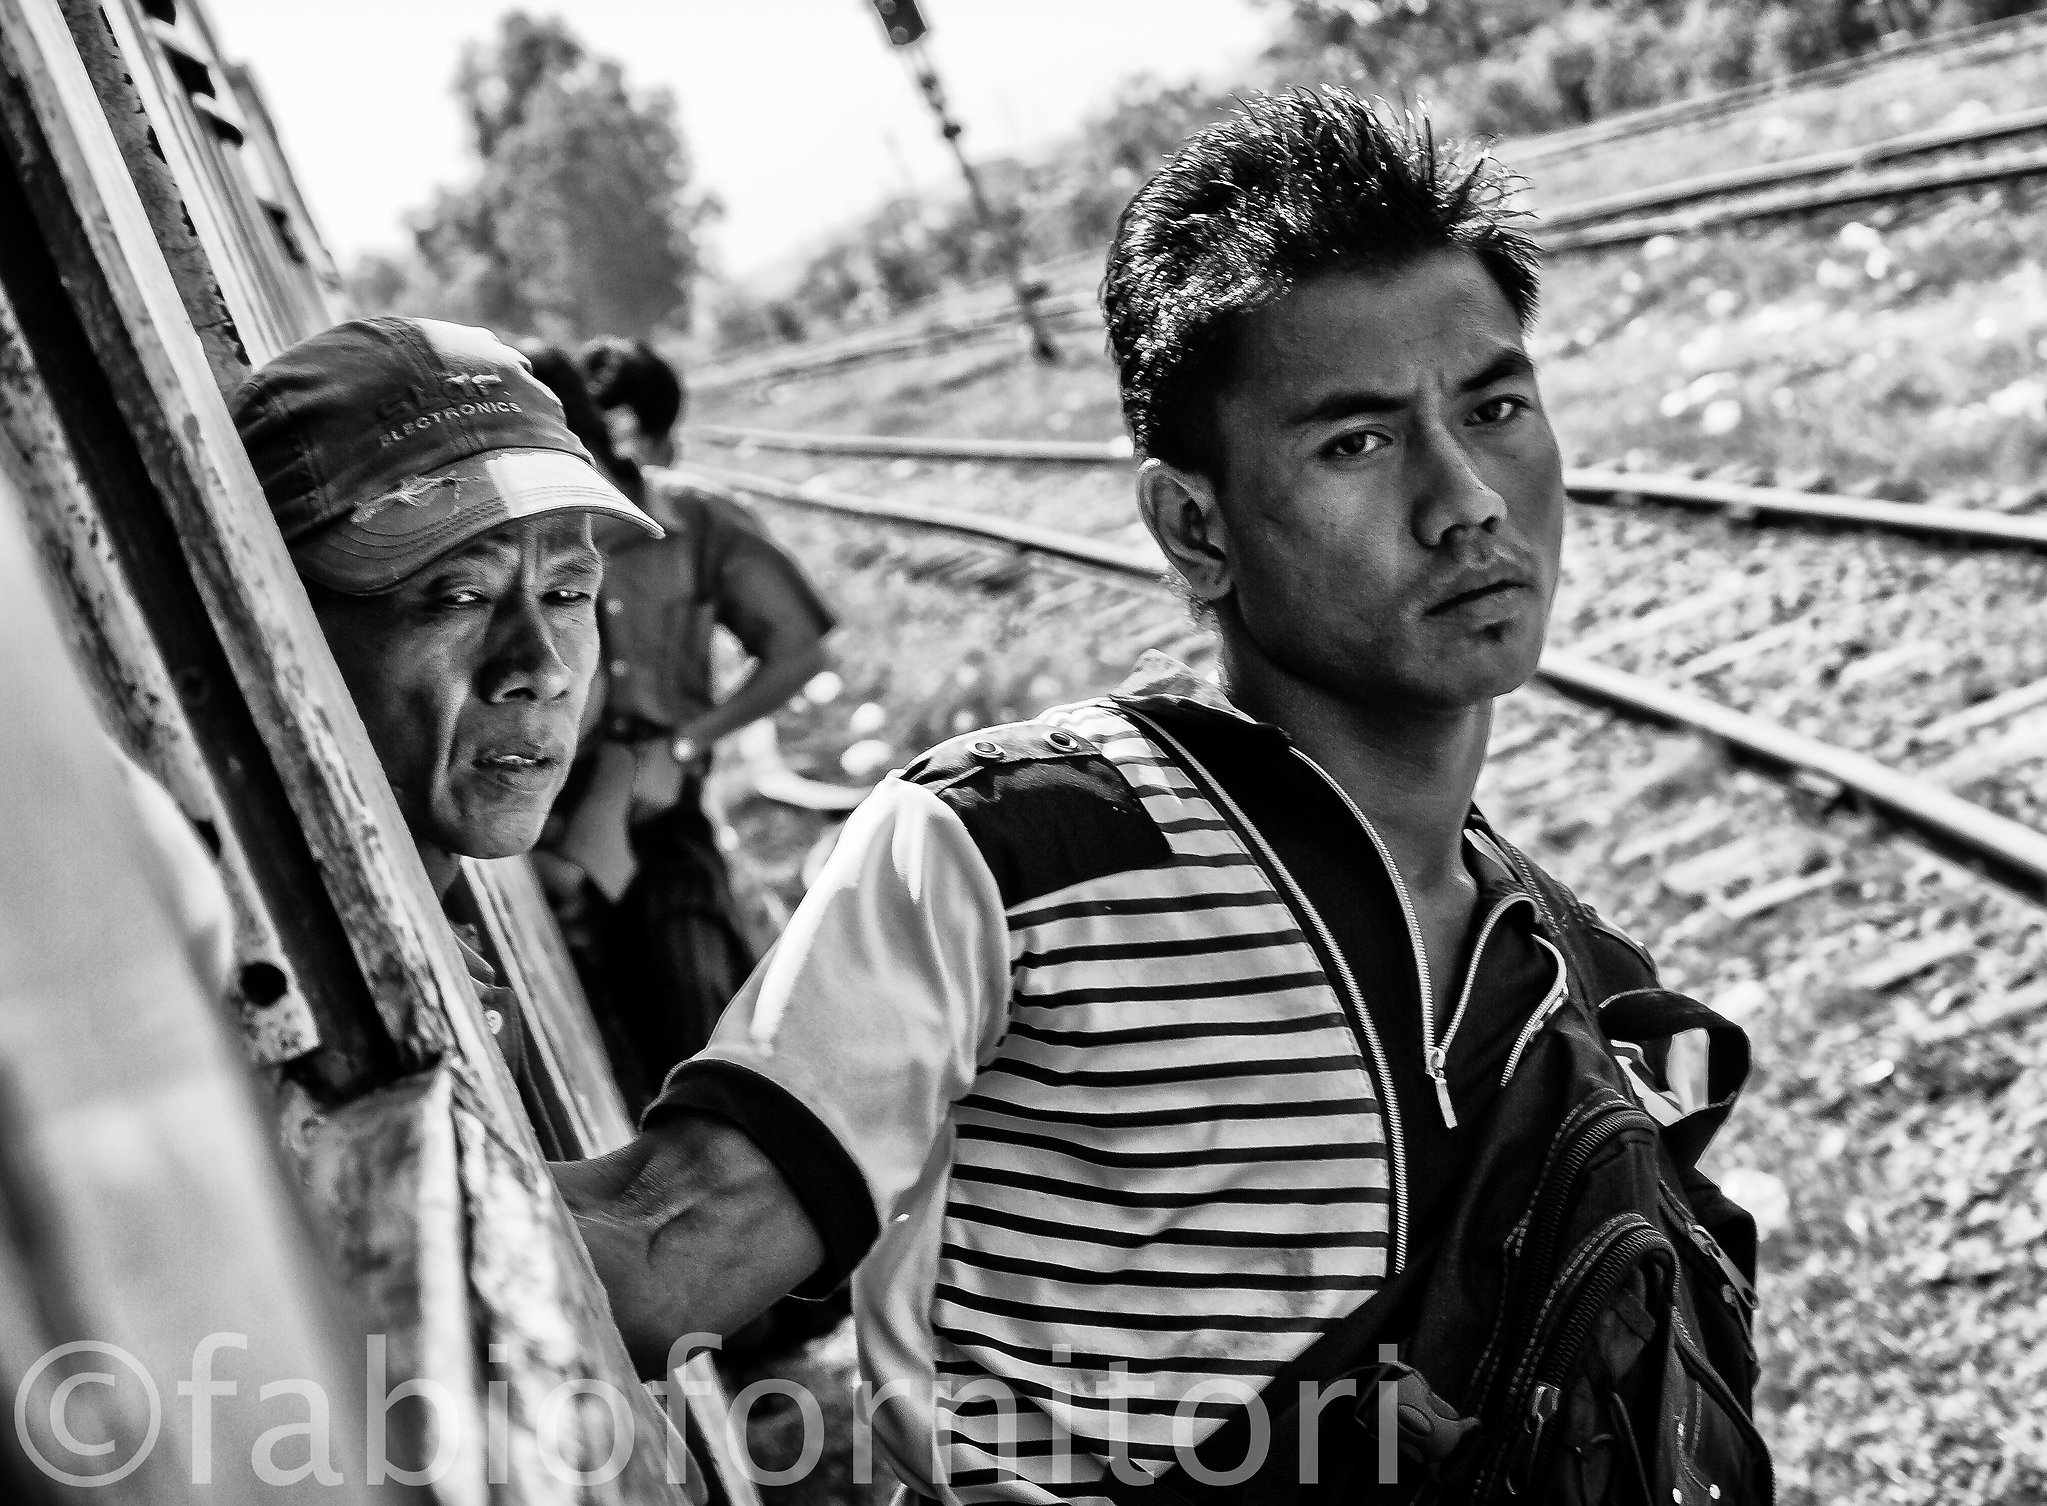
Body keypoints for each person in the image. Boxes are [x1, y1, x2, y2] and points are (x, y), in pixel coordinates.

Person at [555, 91, 1769, 1505]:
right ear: (1194, 523)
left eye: (1495, 406)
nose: (1467, 501)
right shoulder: (1012, 851)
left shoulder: (1559, 954)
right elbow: (665, 1250)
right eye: (1356, 443)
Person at [231, 315, 661, 1135]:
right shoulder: (298, 1008)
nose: (541, 665)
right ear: (287, 621)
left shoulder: (438, 911)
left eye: (567, 594)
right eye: (460, 596)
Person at [521, 337, 838, 1107]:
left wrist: (687, 740)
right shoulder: (521, 531)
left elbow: (797, 645)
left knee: (690, 1018)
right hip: (534, 826)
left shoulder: (693, 522)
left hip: (655, 819)